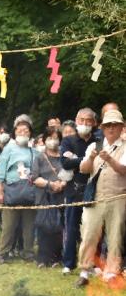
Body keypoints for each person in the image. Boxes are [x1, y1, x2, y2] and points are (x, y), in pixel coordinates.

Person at [76, 108, 126, 286]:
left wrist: (110, 160)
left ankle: (112, 272)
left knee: (115, 236)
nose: (111, 128)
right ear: (103, 128)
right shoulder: (94, 145)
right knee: (89, 233)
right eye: (108, 125)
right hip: (96, 197)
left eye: (115, 125)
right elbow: (83, 169)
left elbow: (124, 170)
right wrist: (90, 158)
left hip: (118, 197)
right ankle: (85, 270)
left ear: (121, 127)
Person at [60, 107, 102, 274]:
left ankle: (93, 263)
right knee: (71, 228)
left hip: (94, 188)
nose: (85, 124)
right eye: (81, 120)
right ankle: (68, 264)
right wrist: (85, 159)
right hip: (73, 190)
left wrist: (75, 159)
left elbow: (99, 162)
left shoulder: (99, 140)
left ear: (94, 123)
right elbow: (65, 163)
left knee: (93, 229)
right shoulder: (68, 140)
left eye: (88, 121)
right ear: (76, 121)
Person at [0, 115, 38, 263]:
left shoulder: (34, 151)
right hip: (11, 191)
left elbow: (38, 171)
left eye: (26, 130)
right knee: (9, 226)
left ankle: (28, 252)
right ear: (14, 132)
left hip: (29, 191)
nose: (23, 133)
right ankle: (3, 252)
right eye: (20, 130)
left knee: (29, 226)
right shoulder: (9, 149)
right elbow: (0, 172)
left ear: (30, 132)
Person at [32, 128, 65, 267]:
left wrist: (62, 184)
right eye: (50, 138)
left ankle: (56, 258)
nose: (53, 141)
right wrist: (50, 184)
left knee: (59, 228)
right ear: (44, 140)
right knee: (44, 228)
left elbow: (70, 172)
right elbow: (34, 177)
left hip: (61, 197)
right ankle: (42, 259)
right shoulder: (39, 157)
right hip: (44, 197)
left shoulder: (64, 155)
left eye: (56, 138)